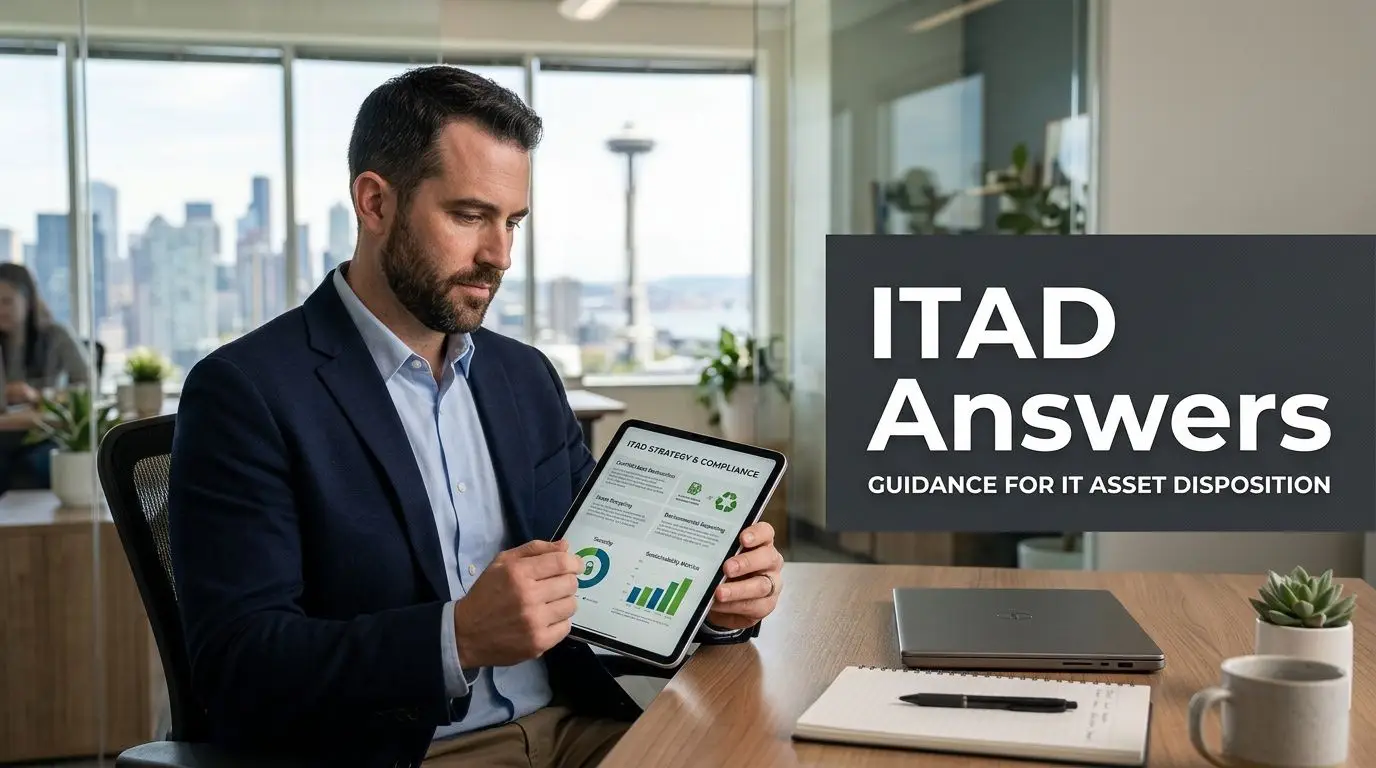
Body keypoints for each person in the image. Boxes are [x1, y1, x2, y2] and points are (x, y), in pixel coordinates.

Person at [167, 65, 785, 768]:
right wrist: (455, 637)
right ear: (375, 202)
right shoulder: (246, 392)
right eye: (469, 216)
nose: (500, 255)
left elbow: (601, 584)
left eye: (512, 221)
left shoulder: (524, 377)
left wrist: (711, 603)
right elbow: (237, 665)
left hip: (573, 727)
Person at [0, 262, 90, 492]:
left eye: (7, 301)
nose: (0, 310)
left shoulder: (56, 335)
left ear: (28, 300)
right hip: (5, 432)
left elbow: (87, 387)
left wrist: (38, 396)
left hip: (46, 433)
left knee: (28, 470)